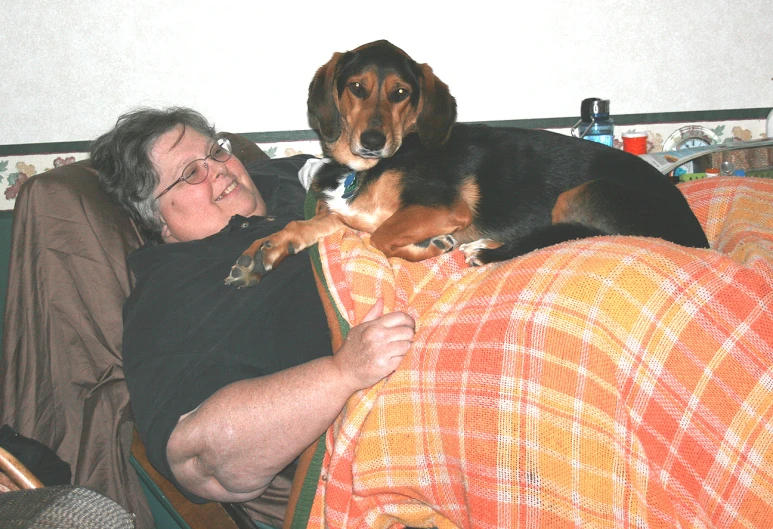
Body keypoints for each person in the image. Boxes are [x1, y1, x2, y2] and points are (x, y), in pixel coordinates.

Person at [90, 107, 415, 527]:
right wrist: (343, 373)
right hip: (403, 405)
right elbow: (197, 458)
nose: (219, 171)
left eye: (216, 152)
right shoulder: (172, 294)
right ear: (158, 218)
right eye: (191, 173)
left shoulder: (288, 177)